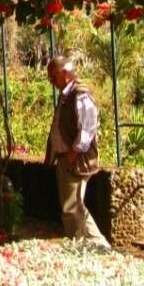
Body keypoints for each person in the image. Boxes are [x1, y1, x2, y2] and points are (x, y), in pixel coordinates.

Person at [44, 54, 110, 248]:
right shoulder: (67, 94)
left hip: (76, 160)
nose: (51, 81)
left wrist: (74, 152)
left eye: (53, 77)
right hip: (66, 158)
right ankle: (78, 244)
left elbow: (88, 128)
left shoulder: (80, 94)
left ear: (64, 73)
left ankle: (98, 244)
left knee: (73, 206)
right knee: (69, 207)